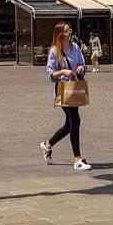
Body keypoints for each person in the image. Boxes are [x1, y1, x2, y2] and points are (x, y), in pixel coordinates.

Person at [40, 22, 91, 171]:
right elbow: (50, 75)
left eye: (70, 31)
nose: (70, 34)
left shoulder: (75, 48)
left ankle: (48, 145)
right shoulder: (54, 51)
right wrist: (63, 72)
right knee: (75, 120)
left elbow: (83, 65)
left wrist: (81, 68)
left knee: (70, 124)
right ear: (60, 34)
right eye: (67, 31)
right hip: (62, 91)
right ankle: (77, 159)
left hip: (74, 88)